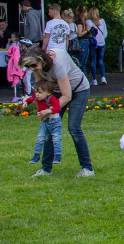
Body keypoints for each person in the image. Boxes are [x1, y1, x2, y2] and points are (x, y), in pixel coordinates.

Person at [24, 41, 94, 177]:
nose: (32, 69)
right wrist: (41, 107)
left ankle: (87, 169)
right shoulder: (37, 68)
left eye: (33, 65)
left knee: (74, 127)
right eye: (28, 66)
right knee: (49, 127)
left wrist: (49, 110)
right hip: (56, 92)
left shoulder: (58, 63)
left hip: (78, 90)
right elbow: (42, 89)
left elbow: (67, 96)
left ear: (41, 59)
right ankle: (46, 169)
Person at [30, 79, 65, 174]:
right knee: (40, 138)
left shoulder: (52, 99)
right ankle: (36, 155)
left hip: (54, 122)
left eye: (40, 92)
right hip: (45, 122)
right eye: (36, 92)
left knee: (56, 138)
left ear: (48, 93)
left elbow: (57, 108)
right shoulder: (37, 97)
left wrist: (48, 111)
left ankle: (57, 156)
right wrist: (26, 102)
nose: (37, 95)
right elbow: (31, 99)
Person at [86, 6, 108, 85]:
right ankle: (103, 77)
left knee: (92, 60)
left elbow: (89, 32)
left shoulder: (89, 22)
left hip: (93, 43)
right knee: (100, 60)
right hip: (102, 43)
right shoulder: (102, 21)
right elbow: (105, 33)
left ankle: (94, 79)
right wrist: (102, 38)